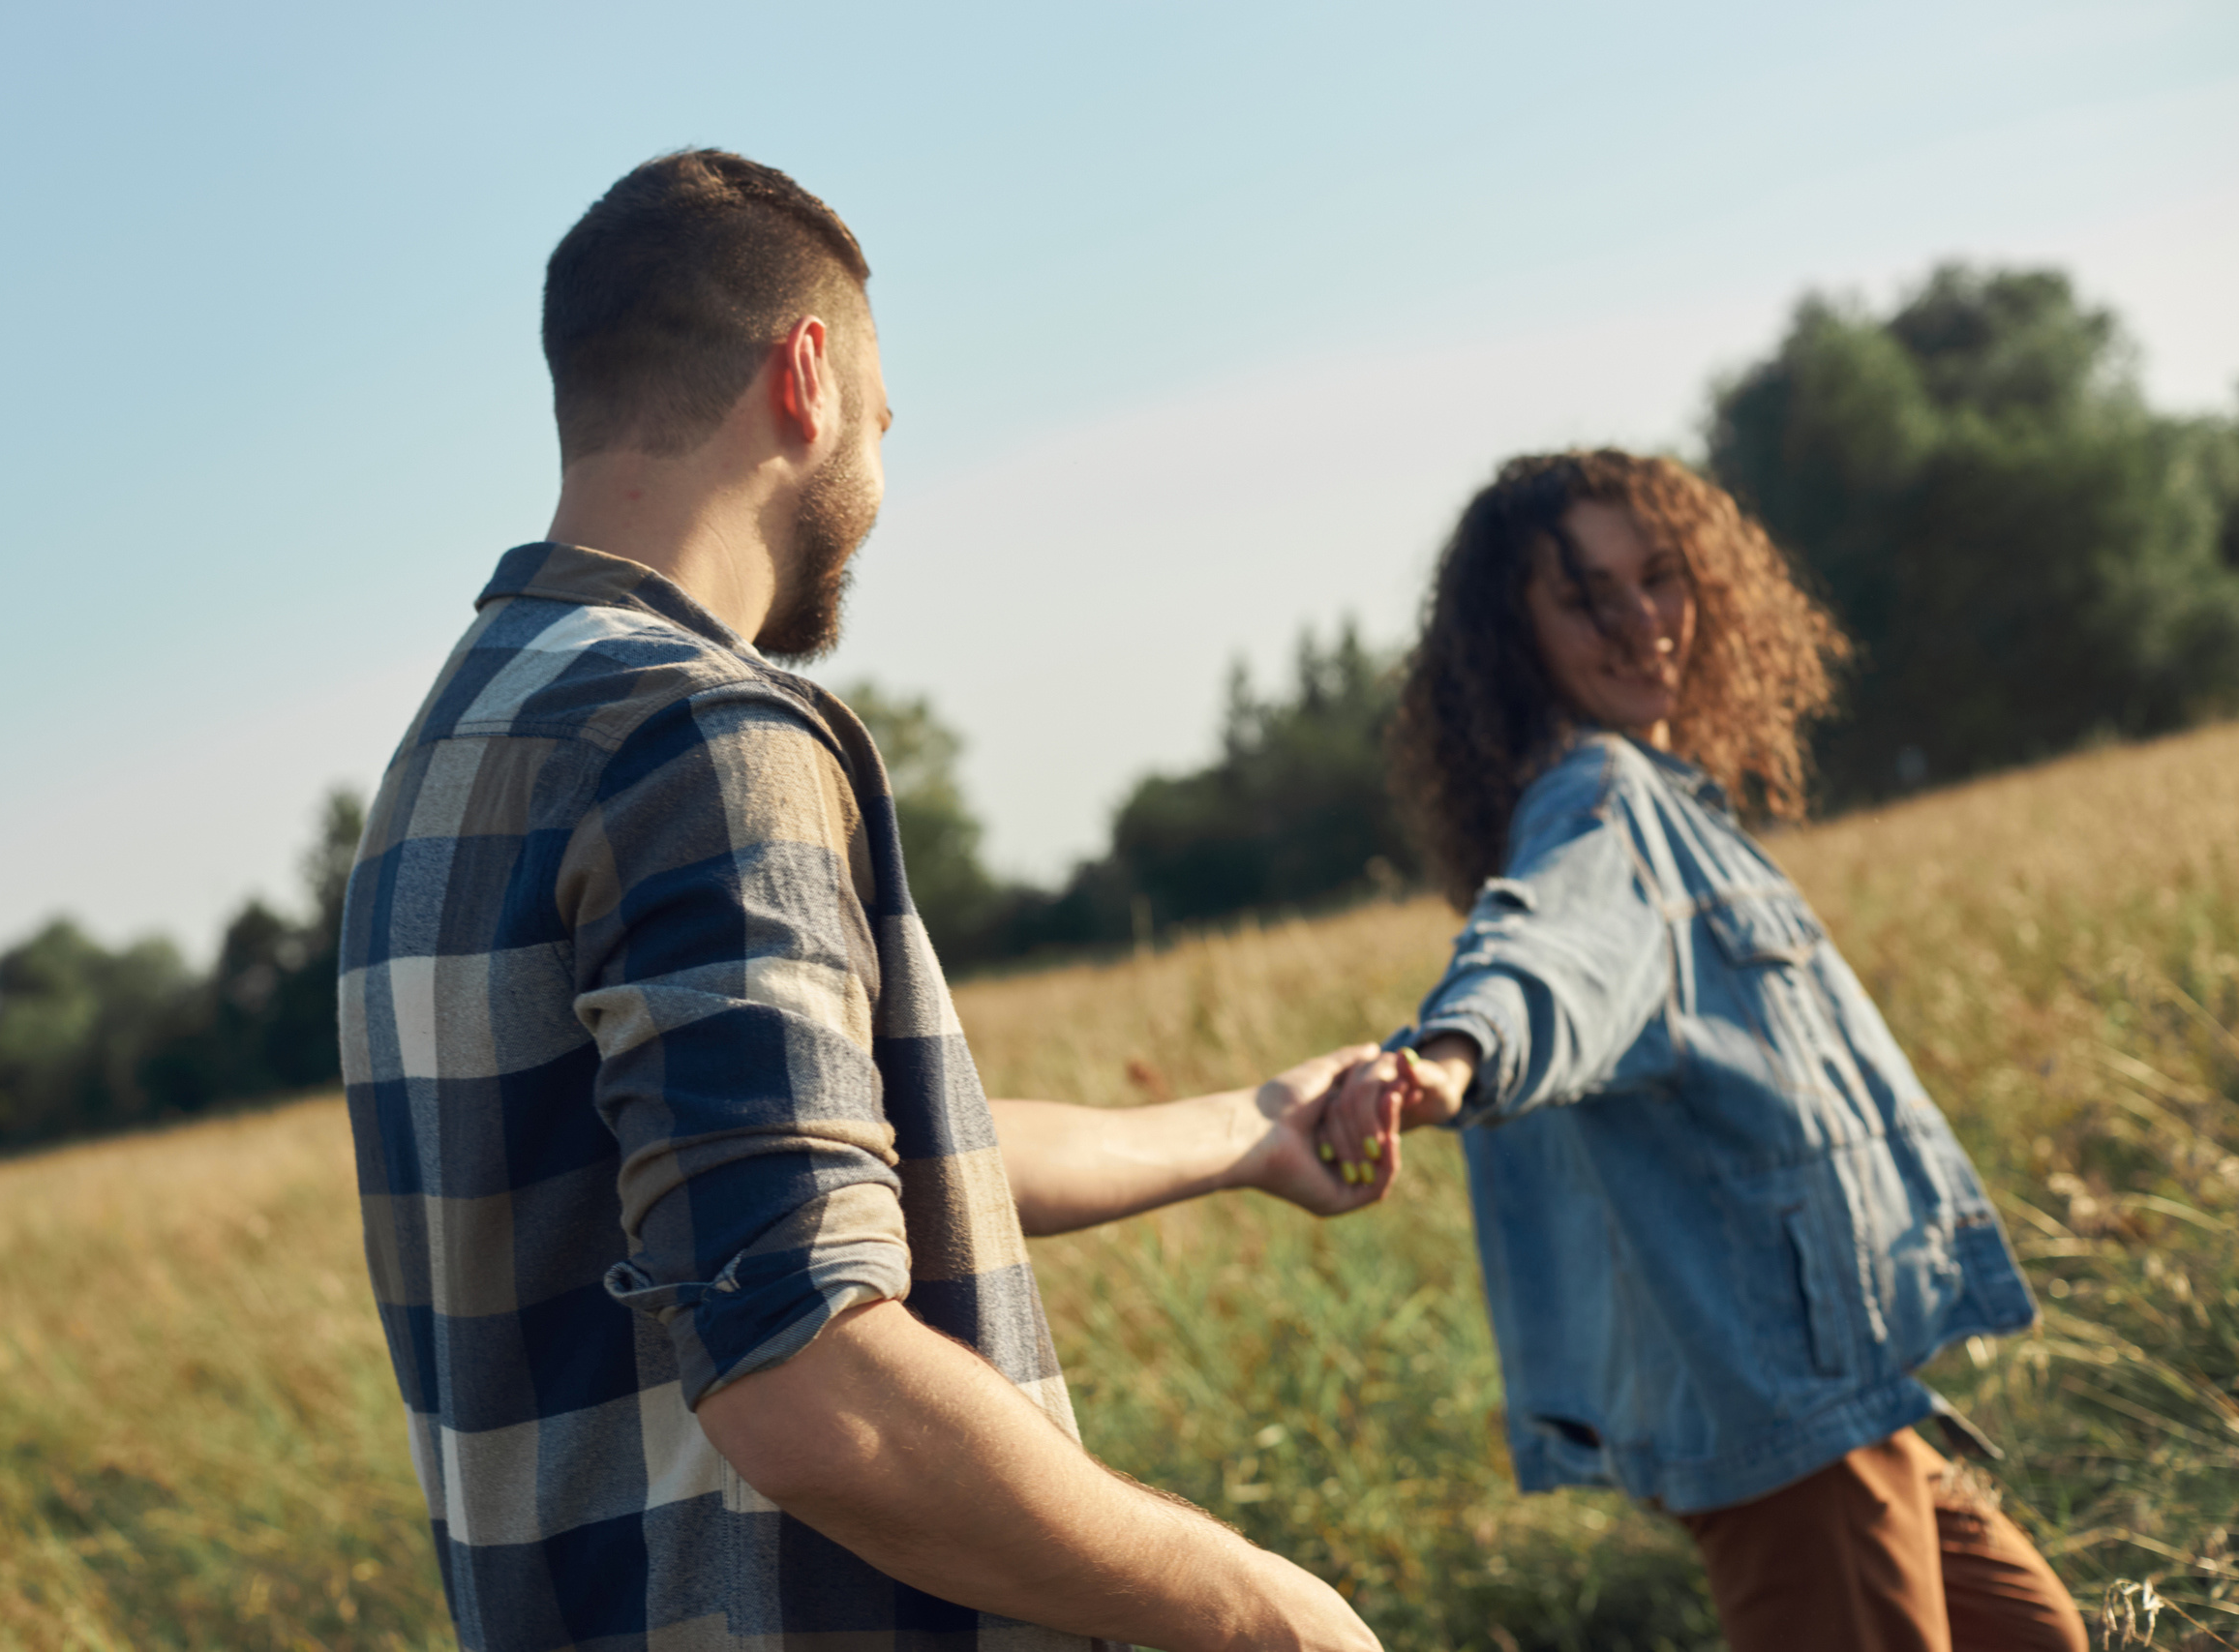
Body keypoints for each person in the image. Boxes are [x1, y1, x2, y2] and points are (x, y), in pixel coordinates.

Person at [337, 149, 1385, 1652]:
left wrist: (1249, 1127)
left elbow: (800, 1175)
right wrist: (1263, 1610)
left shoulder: (451, 756)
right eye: (885, 426)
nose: (879, 483)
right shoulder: (700, 734)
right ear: (807, 377)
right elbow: (803, 1363)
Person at [1318, 450, 2087, 1651]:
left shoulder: (1666, 805)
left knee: (2034, 1638)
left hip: (1842, 1386)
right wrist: (1452, 1057)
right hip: (1776, 1402)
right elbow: (1542, 960)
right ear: (1511, 637)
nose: (1638, 622)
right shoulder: (1602, 806)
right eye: (1583, 596)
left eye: (1658, 577)